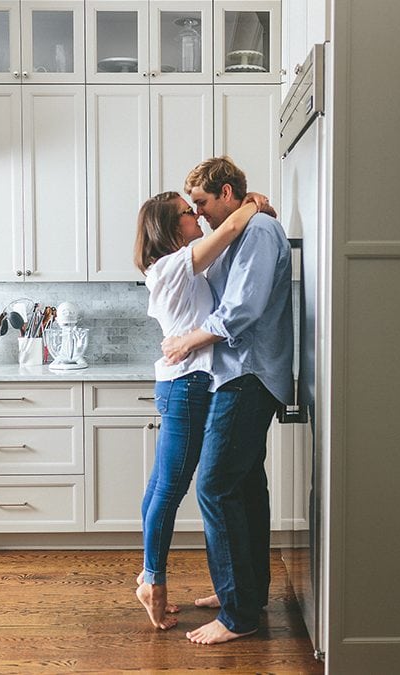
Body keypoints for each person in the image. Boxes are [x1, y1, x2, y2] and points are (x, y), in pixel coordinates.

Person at [161, 156, 293, 645]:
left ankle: (239, 616)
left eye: (203, 203)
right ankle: (244, 592)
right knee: (243, 486)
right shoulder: (245, 226)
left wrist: (187, 341)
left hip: (249, 374)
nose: (199, 214)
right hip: (240, 374)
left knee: (215, 486)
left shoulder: (257, 232)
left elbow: (240, 312)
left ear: (228, 193)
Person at [133, 188, 272, 631]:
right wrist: (254, 204)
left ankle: (154, 576)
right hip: (186, 387)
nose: (197, 216)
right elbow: (231, 228)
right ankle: (152, 580)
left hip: (190, 386)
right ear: (172, 228)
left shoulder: (185, 265)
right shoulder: (174, 264)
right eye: (187, 213)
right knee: (170, 489)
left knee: (161, 486)